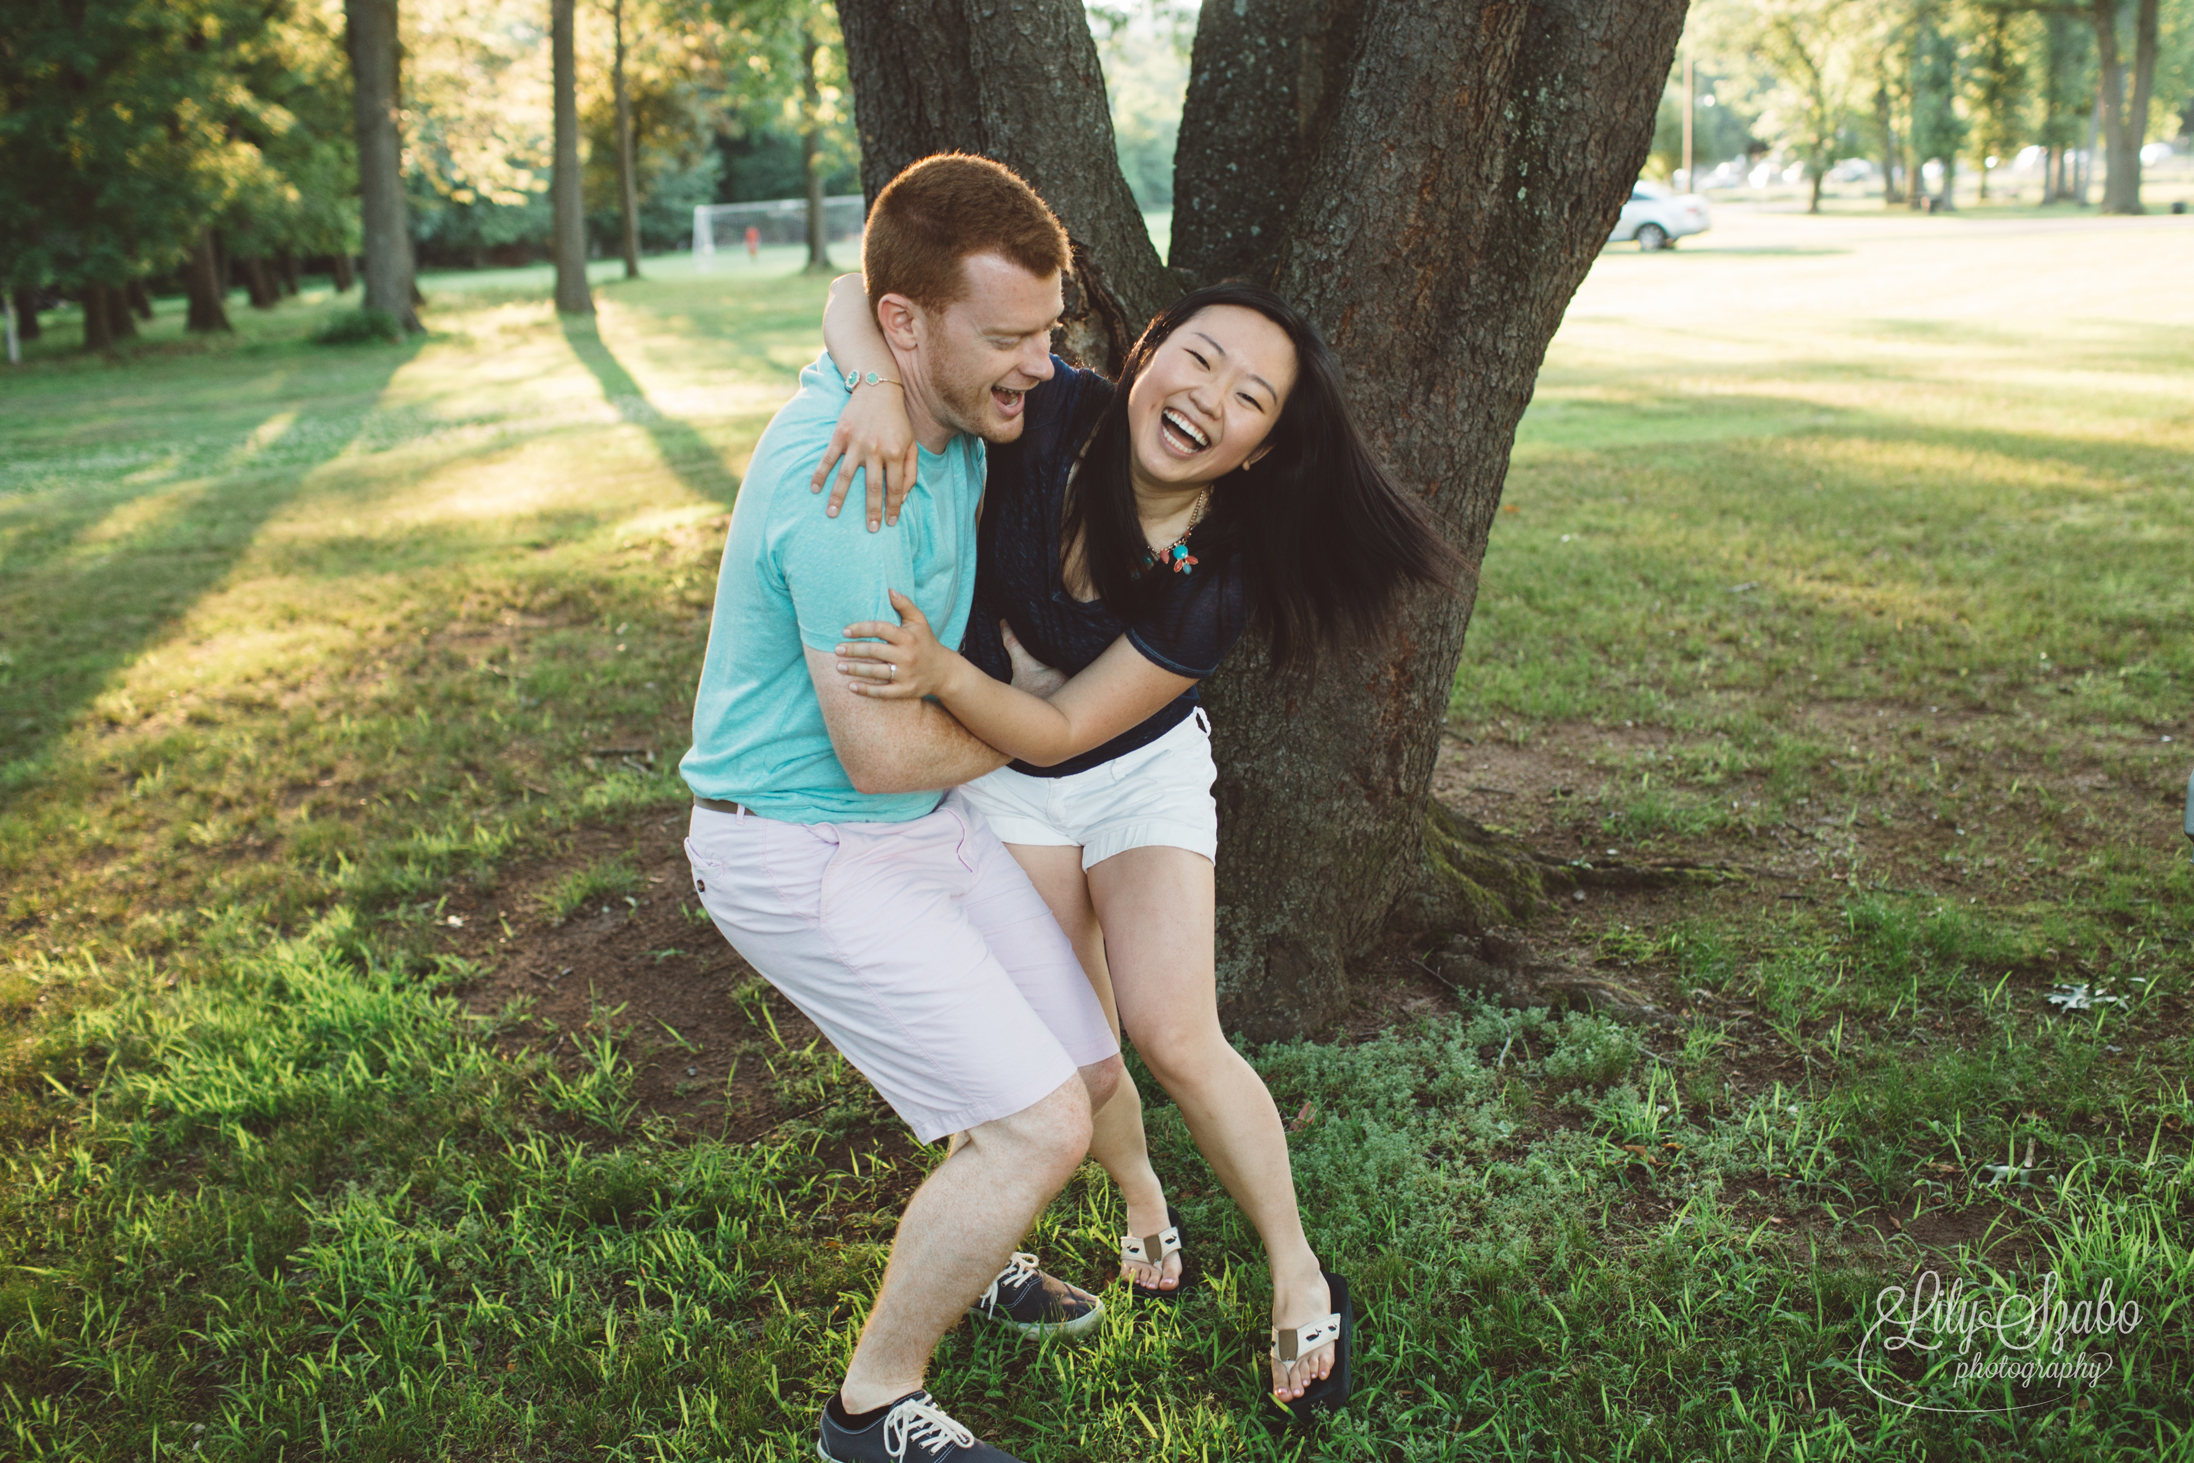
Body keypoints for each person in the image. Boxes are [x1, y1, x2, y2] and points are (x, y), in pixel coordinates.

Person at [810, 272, 1459, 1416]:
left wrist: (946, 674)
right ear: (1146, 351)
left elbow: (1066, 727)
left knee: (1173, 1030)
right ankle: (1141, 1194)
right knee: (1081, 1039)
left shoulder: (1214, 579)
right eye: (1199, 357)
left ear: (1258, 448)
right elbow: (863, 295)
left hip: (1127, 773)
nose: (1211, 396)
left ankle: (1299, 1271)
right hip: (1000, 783)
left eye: (1251, 397)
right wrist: (871, 386)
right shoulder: (1051, 406)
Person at [680, 154, 1130, 1463]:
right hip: (801, 843)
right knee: (1039, 1123)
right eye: (1008, 340)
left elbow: (857, 283)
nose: (1037, 367)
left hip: (910, 825)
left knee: (1090, 1076)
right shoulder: (842, 487)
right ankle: (869, 1407)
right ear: (909, 325)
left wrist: (884, 367)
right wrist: (1038, 733)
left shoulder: (923, 391)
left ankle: (978, 1235)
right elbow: (877, 752)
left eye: (1044, 331)